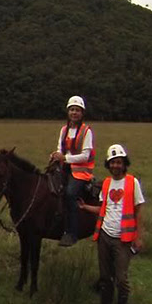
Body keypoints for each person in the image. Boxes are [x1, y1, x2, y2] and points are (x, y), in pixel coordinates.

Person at [79, 144, 145, 304]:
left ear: (124, 164)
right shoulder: (107, 183)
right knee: (105, 275)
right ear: (108, 165)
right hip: (104, 236)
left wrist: (138, 237)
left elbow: (139, 211)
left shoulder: (133, 183)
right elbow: (103, 208)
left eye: (119, 162)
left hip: (123, 239)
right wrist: (85, 207)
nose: (115, 165)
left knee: (121, 278)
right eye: (112, 162)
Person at [50, 95, 95, 246]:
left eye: (77, 110)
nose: (74, 113)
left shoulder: (86, 131)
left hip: (81, 172)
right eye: (72, 110)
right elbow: (60, 148)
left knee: (70, 194)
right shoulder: (64, 130)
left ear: (82, 113)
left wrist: (65, 158)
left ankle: (72, 232)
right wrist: (56, 155)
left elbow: (85, 155)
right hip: (65, 168)